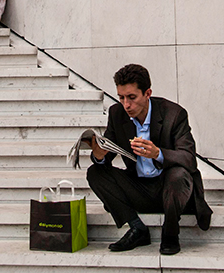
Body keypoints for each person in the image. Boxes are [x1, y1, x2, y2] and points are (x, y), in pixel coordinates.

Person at [86, 64, 213, 256]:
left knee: (179, 174)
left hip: (172, 190)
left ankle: (171, 233)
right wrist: (99, 155)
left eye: (132, 97)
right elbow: (108, 151)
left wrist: (158, 153)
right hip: (139, 189)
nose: (126, 105)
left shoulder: (174, 114)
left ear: (147, 93)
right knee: (95, 172)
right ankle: (137, 228)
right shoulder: (117, 113)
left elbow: (189, 159)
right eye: (121, 97)